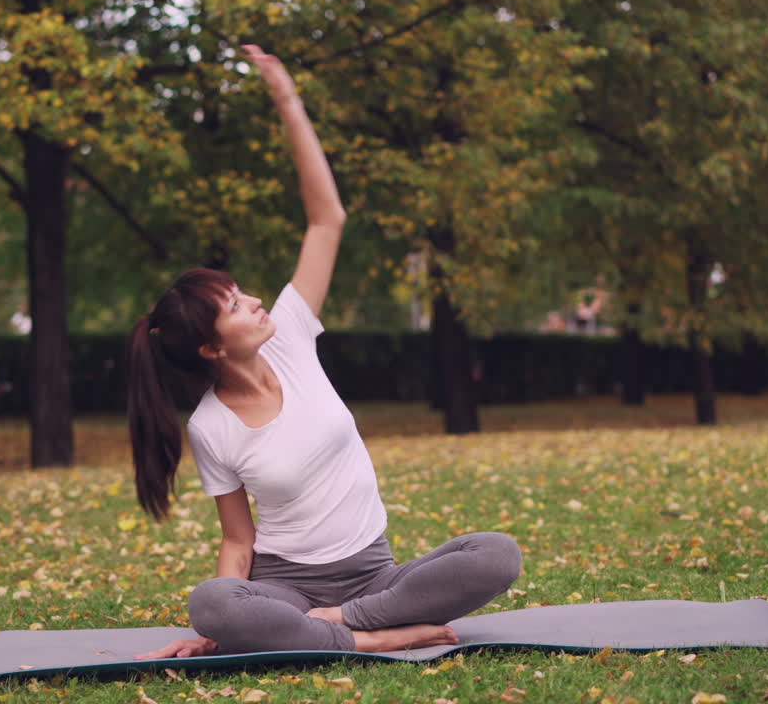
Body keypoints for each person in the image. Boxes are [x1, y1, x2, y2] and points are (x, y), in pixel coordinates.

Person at [126, 45, 522, 659]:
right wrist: (218, 627)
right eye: (234, 306)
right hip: (285, 586)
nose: (255, 301)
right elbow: (238, 543)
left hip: (375, 577)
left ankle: (346, 626)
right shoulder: (211, 426)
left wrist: (288, 100)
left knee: (497, 553)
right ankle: (362, 640)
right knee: (211, 600)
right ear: (210, 347)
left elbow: (326, 220)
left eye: (240, 293)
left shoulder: (290, 334)